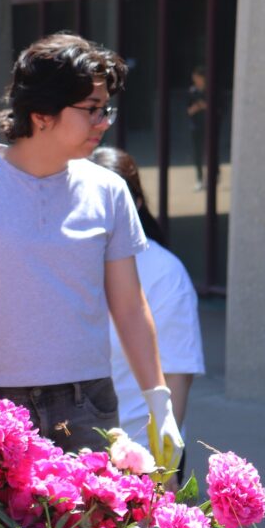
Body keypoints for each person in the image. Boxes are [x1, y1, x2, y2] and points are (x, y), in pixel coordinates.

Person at [0, 32, 184, 466]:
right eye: (92, 110)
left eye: (106, 109)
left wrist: (160, 402)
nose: (104, 122)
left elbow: (130, 305)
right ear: (41, 114)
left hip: (87, 405)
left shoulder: (109, 191)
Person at [91, 146, 204, 459]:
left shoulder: (165, 272)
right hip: (71, 450)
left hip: (138, 456)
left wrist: (165, 466)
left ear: (136, 203)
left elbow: (177, 375)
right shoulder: (62, 258)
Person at [186, 67, 208, 191]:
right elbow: (188, 110)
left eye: (197, 77)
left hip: (208, 126)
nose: (195, 80)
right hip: (196, 126)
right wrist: (197, 107)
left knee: (209, 153)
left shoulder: (209, 90)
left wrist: (205, 105)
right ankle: (199, 178)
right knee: (197, 153)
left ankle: (212, 177)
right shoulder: (192, 91)